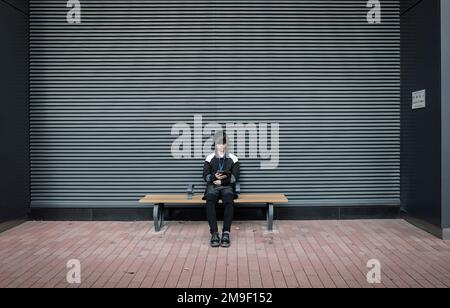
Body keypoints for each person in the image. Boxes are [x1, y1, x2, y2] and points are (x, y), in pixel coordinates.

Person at [202, 132, 240, 248]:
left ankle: (226, 233)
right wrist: (214, 178)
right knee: (210, 198)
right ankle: (214, 233)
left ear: (226, 144)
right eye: (219, 143)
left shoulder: (233, 158)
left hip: (226, 186)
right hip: (213, 186)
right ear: (216, 144)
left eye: (223, 143)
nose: (221, 146)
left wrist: (222, 181)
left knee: (229, 198)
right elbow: (205, 176)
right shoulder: (209, 158)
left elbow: (234, 177)